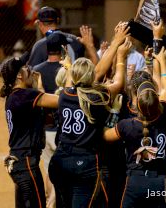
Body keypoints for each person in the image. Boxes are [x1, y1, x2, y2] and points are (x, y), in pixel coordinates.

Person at [48, 37, 131, 208]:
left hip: (60, 159)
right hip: (84, 163)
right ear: (92, 77)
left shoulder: (63, 95)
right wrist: (121, 57)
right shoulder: (97, 97)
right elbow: (118, 82)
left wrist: (69, 65)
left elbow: (73, 80)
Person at [102, 46, 166, 208]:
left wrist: (113, 111)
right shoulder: (163, 115)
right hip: (160, 181)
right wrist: (162, 62)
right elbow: (165, 87)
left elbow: (105, 135)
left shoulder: (128, 125)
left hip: (135, 181)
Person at [0, 52, 59, 208]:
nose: (30, 70)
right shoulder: (24, 96)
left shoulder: (16, 96)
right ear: (19, 76)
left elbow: (43, 115)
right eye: (26, 68)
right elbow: (62, 101)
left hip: (21, 162)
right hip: (25, 164)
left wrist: (38, 86)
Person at [33, 32, 69, 208]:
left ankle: (50, 202)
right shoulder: (68, 70)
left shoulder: (36, 70)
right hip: (65, 129)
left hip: (45, 128)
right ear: (64, 49)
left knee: (48, 169)